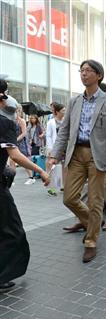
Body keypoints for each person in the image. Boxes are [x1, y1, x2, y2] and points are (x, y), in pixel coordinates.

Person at [48, 59, 106, 263]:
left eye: (88, 71)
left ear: (98, 75)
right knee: (69, 198)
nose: (84, 74)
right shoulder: (74, 102)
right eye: (81, 71)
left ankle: (90, 242)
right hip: (76, 155)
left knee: (96, 200)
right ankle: (92, 222)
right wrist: (55, 154)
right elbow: (64, 131)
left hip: (98, 157)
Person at [0, 89, 50, 292]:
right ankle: (2, 275)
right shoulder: (4, 123)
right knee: (12, 231)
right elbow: (16, 154)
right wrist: (41, 171)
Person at [46, 102, 66, 196]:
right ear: (57, 111)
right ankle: (52, 187)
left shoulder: (66, 121)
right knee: (53, 168)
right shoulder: (51, 122)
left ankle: (64, 186)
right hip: (55, 147)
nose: (64, 112)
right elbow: (48, 136)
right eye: (63, 110)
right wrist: (50, 148)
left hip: (65, 148)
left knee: (65, 167)